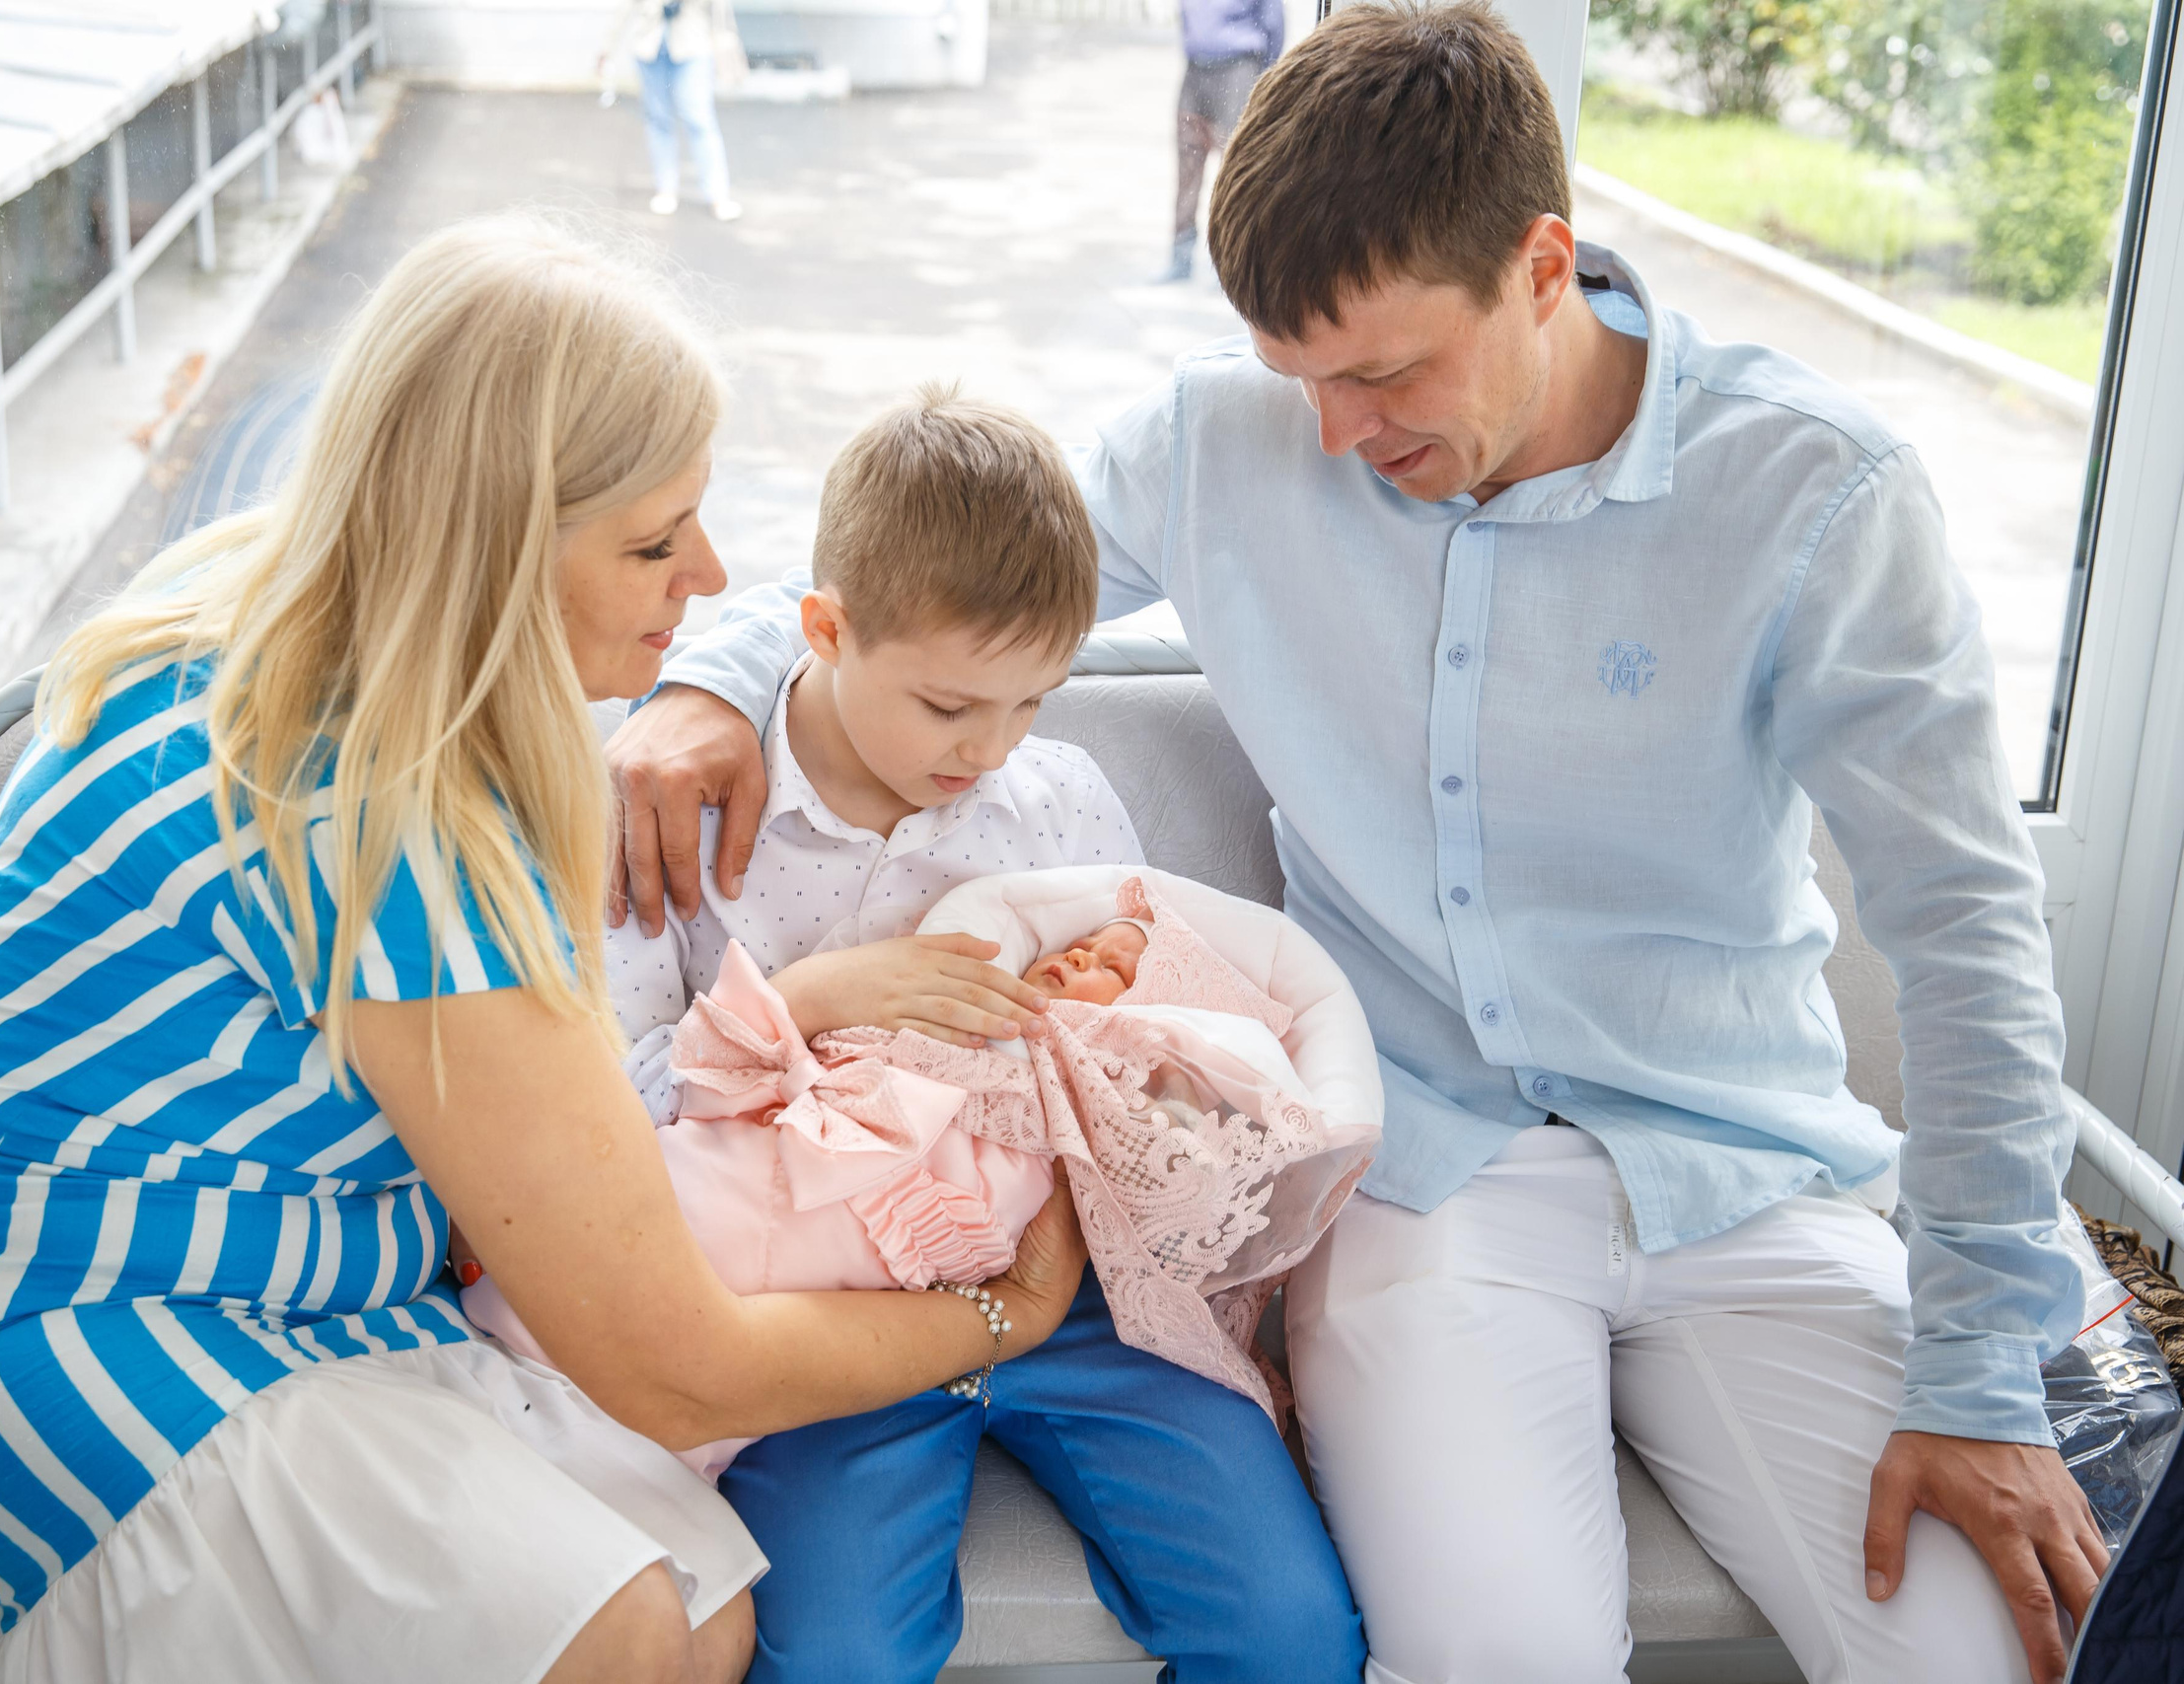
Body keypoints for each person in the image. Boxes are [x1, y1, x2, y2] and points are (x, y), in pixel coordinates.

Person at [600, 5, 2110, 1683]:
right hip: (1426, 1176)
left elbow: (1973, 935)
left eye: (1384, 372)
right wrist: (716, 690)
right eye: (1291, 375)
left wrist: (1978, 1377)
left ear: (1546, 268)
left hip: (1750, 1168)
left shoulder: (1815, 495)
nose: (1330, 436)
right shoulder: (1220, 441)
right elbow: (922, 578)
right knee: (1494, 1658)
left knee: (1997, 1645)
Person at [0, 218, 1091, 1684]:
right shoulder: (382, 814)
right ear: (487, 548)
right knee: (629, 1635)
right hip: (26, 1308)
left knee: (709, 1612)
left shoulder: (290, 621)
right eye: (655, 542)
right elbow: (672, 1365)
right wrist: (998, 1311)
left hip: (289, 1275)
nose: (710, 575)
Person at [584, 389, 1367, 1681]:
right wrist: (819, 996)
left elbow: (1135, 1050)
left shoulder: (1054, 799)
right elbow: (618, 1102)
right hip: (820, 1314)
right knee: (832, 1652)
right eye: (952, 706)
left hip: (1077, 1290)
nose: (992, 749)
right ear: (824, 627)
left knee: (1293, 1633)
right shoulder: (690, 814)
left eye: (1031, 703)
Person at [1160, 0, 1284, 282]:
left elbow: (1274, 23)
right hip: (1196, 68)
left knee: (1236, 172)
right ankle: (1180, 258)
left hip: (1238, 68)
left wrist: (1262, 79)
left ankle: (1231, 266)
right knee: (1187, 167)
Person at [603, 0, 747, 222]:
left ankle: (718, 196)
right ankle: (666, 189)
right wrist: (607, 46)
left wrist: (725, 45)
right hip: (650, 44)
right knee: (658, 119)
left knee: (699, 118)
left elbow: (720, 10)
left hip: (693, 43)